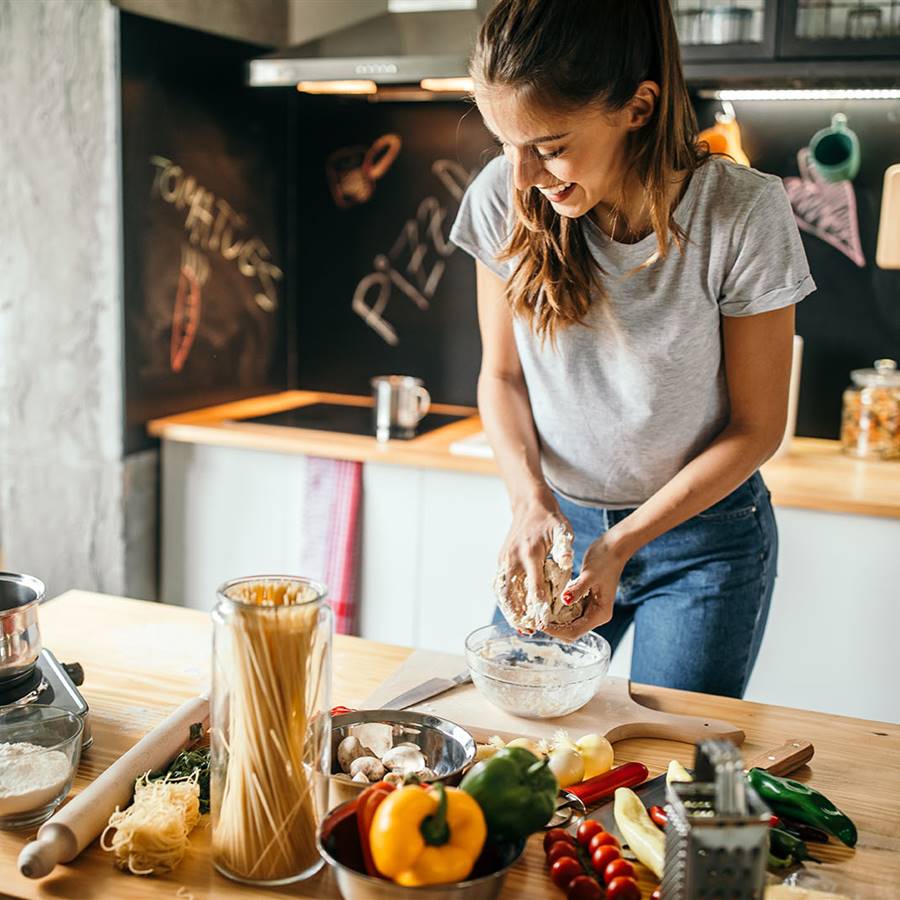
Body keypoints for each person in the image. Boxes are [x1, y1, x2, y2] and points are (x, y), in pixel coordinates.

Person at [449, 0, 815, 698]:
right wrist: (529, 502)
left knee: (670, 766)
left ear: (639, 108)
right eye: (505, 144)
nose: (521, 175)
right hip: (559, 524)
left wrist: (620, 545)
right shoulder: (503, 196)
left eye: (549, 146)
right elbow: (501, 377)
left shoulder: (739, 213)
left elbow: (757, 428)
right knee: (517, 731)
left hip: (705, 541)